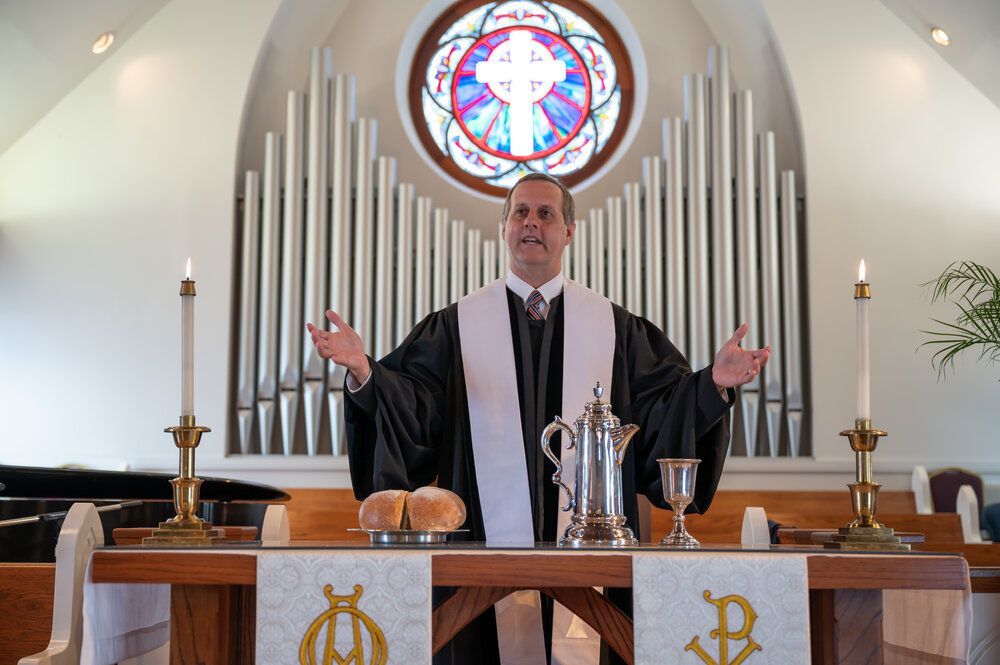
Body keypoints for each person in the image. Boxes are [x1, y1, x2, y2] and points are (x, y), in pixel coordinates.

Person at [306, 173, 770, 665]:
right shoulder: (456, 326)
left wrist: (711, 385)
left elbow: (664, 407)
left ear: (569, 231)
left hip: (598, 557)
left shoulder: (615, 328)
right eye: (521, 212)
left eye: (546, 213)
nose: (532, 223)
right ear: (503, 227)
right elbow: (413, 409)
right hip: (479, 557)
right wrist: (365, 372)